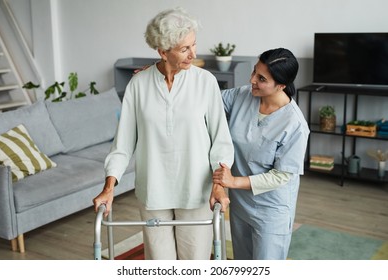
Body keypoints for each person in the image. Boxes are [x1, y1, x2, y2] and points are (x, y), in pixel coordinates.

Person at [92, 7, 234, 260]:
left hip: (195, 190)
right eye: (184, 49)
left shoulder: (205, 82)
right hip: (153, 191)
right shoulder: (138, 84)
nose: (193, 54)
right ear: (162, 52)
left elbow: (220, 141)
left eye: (193, 45)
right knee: (159, 264)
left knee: (195, 263)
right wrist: (109, 186)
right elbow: (122, 145)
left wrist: (219, 186)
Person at [212, 48, 310, 260]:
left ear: (281, 85)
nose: (252, 80)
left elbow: (281, 175)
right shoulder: (242, 95)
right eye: (254, 72)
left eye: (261, 78)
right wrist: (162, 73)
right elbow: (206, 99)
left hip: (271, 210)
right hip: (240, 206)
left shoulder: (295, 125)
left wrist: (233, 181)